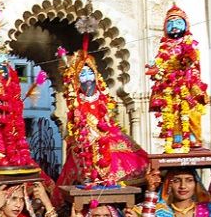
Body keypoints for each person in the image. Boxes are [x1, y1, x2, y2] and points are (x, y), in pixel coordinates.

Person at [55, 49, 147, 194]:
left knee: (128, 157)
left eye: (90, 73)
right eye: (83, 74)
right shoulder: (76, 101)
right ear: (77, 79)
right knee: (84, 157)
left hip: (106, 135)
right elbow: (76, 124)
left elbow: (106, 117)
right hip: (85, 139)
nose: (88, 78)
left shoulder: (101, 96)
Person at [146, 5, 208, 153]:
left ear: (186, 26)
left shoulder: (189, 44)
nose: (174, 26)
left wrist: (188, 57)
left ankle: (193, 139)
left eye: (178, 22)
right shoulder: (163, 48)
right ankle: (176, 140)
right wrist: (155, 71)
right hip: (169, 87)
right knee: (172, 115)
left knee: (191, 112)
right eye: (170, 23)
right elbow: (158, 65)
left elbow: (194, 62)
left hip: (187, 84)